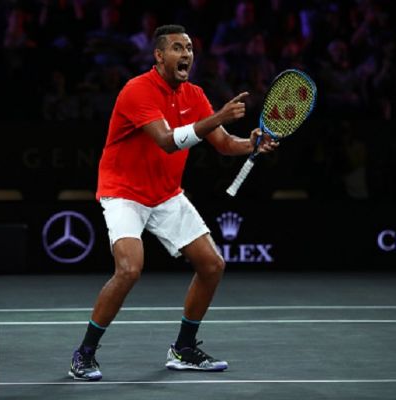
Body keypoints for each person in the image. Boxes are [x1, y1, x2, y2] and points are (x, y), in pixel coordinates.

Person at [68, 24, 278, 381]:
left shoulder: (194, 94)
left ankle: (183, 348)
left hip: (165, 193)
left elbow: (225, 143)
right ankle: (84, 353)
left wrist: (251, 144)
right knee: (130, 269)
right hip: (124, 191)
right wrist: (219, 116)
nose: (186, 55)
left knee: (212, 265)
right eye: (178, 48)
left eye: (190, 49)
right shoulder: (137, 90)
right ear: (159, 55)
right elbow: (166, 141)